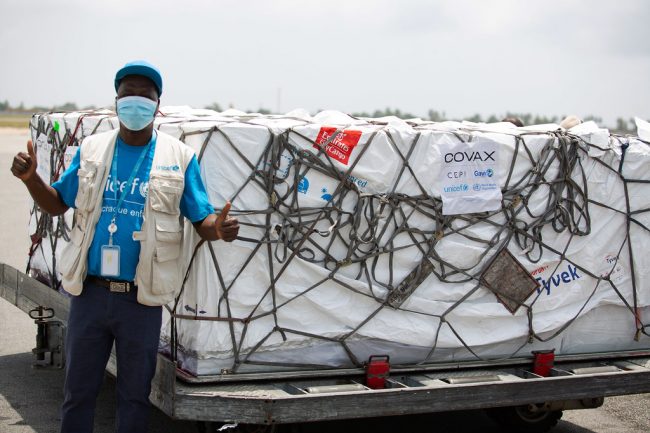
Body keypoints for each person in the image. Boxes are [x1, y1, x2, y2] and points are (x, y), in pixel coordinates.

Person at [11, 60, 239, 433]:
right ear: (116, 102)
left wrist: (221, 229)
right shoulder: (92, 150)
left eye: (144, 96)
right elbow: (56, 203)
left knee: (135, 396)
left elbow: (202, 220)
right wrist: (30, 177)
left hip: (140, 301)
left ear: (157, 104)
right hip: (89, 294)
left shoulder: (179, 158)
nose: (135, 101)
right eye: (127, 94)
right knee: (78, 392)